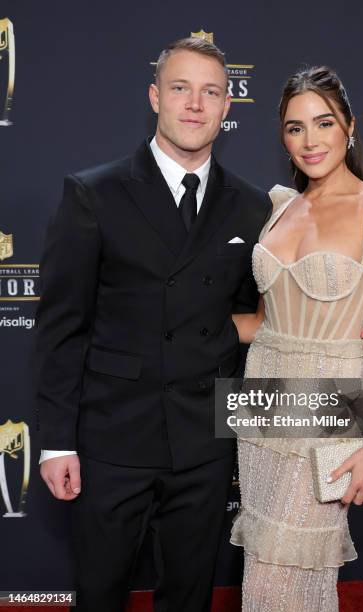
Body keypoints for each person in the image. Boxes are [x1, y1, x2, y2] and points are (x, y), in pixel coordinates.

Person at [34, 37, 272, 612]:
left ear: (227, 108)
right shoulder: (94, 193)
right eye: (180, 88)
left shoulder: (252, 206)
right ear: (155, 97)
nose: (195, 104)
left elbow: (250, 317)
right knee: (100, 594)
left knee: (189, 596)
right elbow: (61, 329)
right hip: (114, 436)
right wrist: (55, 443)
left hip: (204, 440)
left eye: (211, 92)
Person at [230, 66, 363, 611]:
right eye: (294, 127)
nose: (309, 141)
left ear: (349, 127)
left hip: (332, 402)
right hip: (263, 402)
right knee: (267, 568)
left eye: (323, 123)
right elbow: (264, 323)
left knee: (283, 579)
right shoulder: (279, 208)